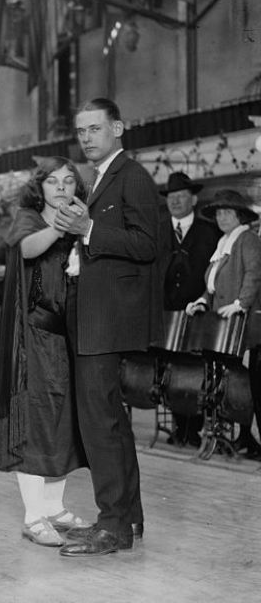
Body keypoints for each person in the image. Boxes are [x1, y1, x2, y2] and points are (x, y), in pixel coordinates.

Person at [55, 98, 161, 557]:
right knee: (111, 423)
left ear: (118, 127)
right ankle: (127, 518)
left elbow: (148, 244)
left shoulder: (131, 175)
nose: (87, 138)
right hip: (96, 314)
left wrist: (88, 227)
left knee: (100, 423)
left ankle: (112, 525)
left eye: (95, 128)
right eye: (81, 131)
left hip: (106, 318)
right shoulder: (103, 178)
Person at [0, 157, 90, 547]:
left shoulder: (80, 223)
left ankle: (54, 506)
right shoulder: (28, 218)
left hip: (68, 336)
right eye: (53, 181)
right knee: (33, 419)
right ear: (40, 188)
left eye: (69, 181)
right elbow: (29, 249)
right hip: (33, 338)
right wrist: (63, 225)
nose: (62, 187)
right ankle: (33, 516)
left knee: (62, 418)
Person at [185, 189, 261, 459]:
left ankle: (249, 440)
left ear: (239, 215)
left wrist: (241, 302)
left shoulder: (247, 239)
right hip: (221, 326)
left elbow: (254, 274)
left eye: (227, 212)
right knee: (227, 382)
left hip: (241, 324)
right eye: (218, 213)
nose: (221, 217)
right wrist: (202, 301)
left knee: (243, 382)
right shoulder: (223, 243)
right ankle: (235, 437)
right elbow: (212, 285)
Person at [159, 172, 220, 446]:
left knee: (195, 371)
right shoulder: (157, 229)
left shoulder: (210, 232)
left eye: (181, 196)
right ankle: (178, 427)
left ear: (193, 199)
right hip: (165, 314)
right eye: (171, 197)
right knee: (169, 369)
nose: (176, 201)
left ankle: (193, 428)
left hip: (198, 316)